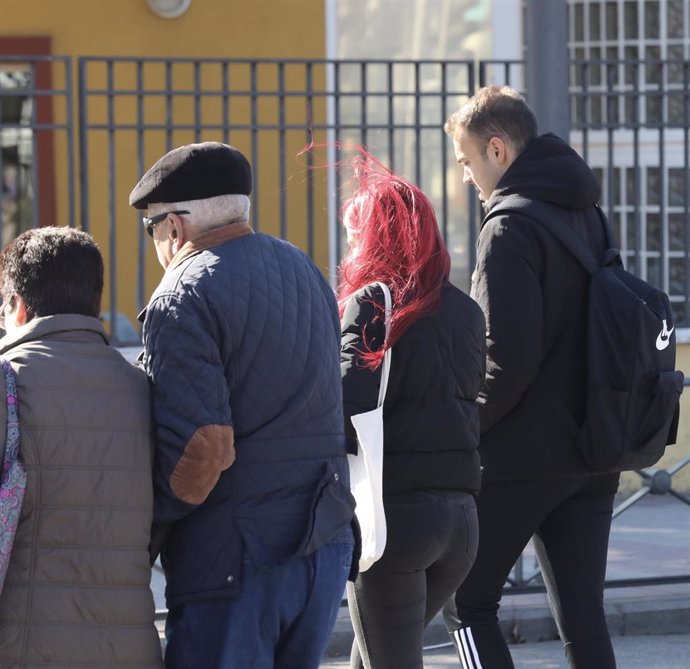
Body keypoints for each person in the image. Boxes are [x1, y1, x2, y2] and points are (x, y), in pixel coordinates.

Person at [128, 141, 356, 669]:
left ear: (176, 228)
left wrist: (146, 529)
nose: (155, 241)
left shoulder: (181, 293)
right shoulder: (304, 269)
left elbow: (202, 449)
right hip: (321, 542)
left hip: (237, 559)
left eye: (152, 227)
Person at [441, 85, 620, 669]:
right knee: (583, 615)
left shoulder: (508, 228)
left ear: (497, 150)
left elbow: (505, 359)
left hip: (523, 456)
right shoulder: (586, 211)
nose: (466, 176)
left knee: (466, 601)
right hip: (596, 446)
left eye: (467, 161)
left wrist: (466, 429)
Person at [339, 156, 486, 669]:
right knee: (373, 656)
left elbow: (346, 410)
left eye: (355, 235)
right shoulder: (466, 310)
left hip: (396, 519)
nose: (350, 247)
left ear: (375, 239)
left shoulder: (373, 305)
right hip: (462, 523)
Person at [0, 227, 162, 668]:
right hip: (132, 649)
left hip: (27, 647)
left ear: (19, 306)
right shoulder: (143, 389)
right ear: (94, 301)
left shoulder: (10, 381)